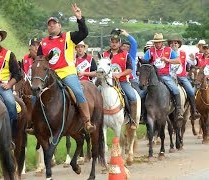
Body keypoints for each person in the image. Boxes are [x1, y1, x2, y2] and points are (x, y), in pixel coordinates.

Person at [37, 3, 95, 133]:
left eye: (54, 24)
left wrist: (79, 18)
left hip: (67, 73)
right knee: (35, 92)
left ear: (59, 26)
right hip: (50, 75)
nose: (51, 26)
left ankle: (87, 121)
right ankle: (33, 122)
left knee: (77, 91)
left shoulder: (68, 37)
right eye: (49, 24)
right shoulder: (43, 42)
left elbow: (84, 32)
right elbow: (39, 60)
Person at [143, 33, 184, 120]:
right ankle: (143, 113)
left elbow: (178, 60)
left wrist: (167, 60)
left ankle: (179, 110)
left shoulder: (168, 50)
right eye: (156, 42)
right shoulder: (150, 51)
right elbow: (144, 61)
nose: (157, 44)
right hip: (153, 77)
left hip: (165, 75)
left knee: (175, 89)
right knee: (142, 93)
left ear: (162, 42)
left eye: (159, 42)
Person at [103, 32, 139, 130]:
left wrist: (119, 74)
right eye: (112, 42)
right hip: (106, 82)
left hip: (122, 81)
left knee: (132, 96)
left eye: (116, 42)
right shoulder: (104, 54)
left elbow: (130, 69)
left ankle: (133, 120)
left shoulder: (125, 54)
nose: (114, 44)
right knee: (94, 94)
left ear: (119, 43)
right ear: (110, 43)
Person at [168, 37, 200, 120]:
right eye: (172, 43)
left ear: (179, 45)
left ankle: (194, 110)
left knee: (190, 90)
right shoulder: (167, 53)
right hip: (170, 76)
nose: (173, 45)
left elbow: (192, 62)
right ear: (169, 45)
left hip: (181, 76)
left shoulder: (183, 53)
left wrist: (194, 60)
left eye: (175, 43)